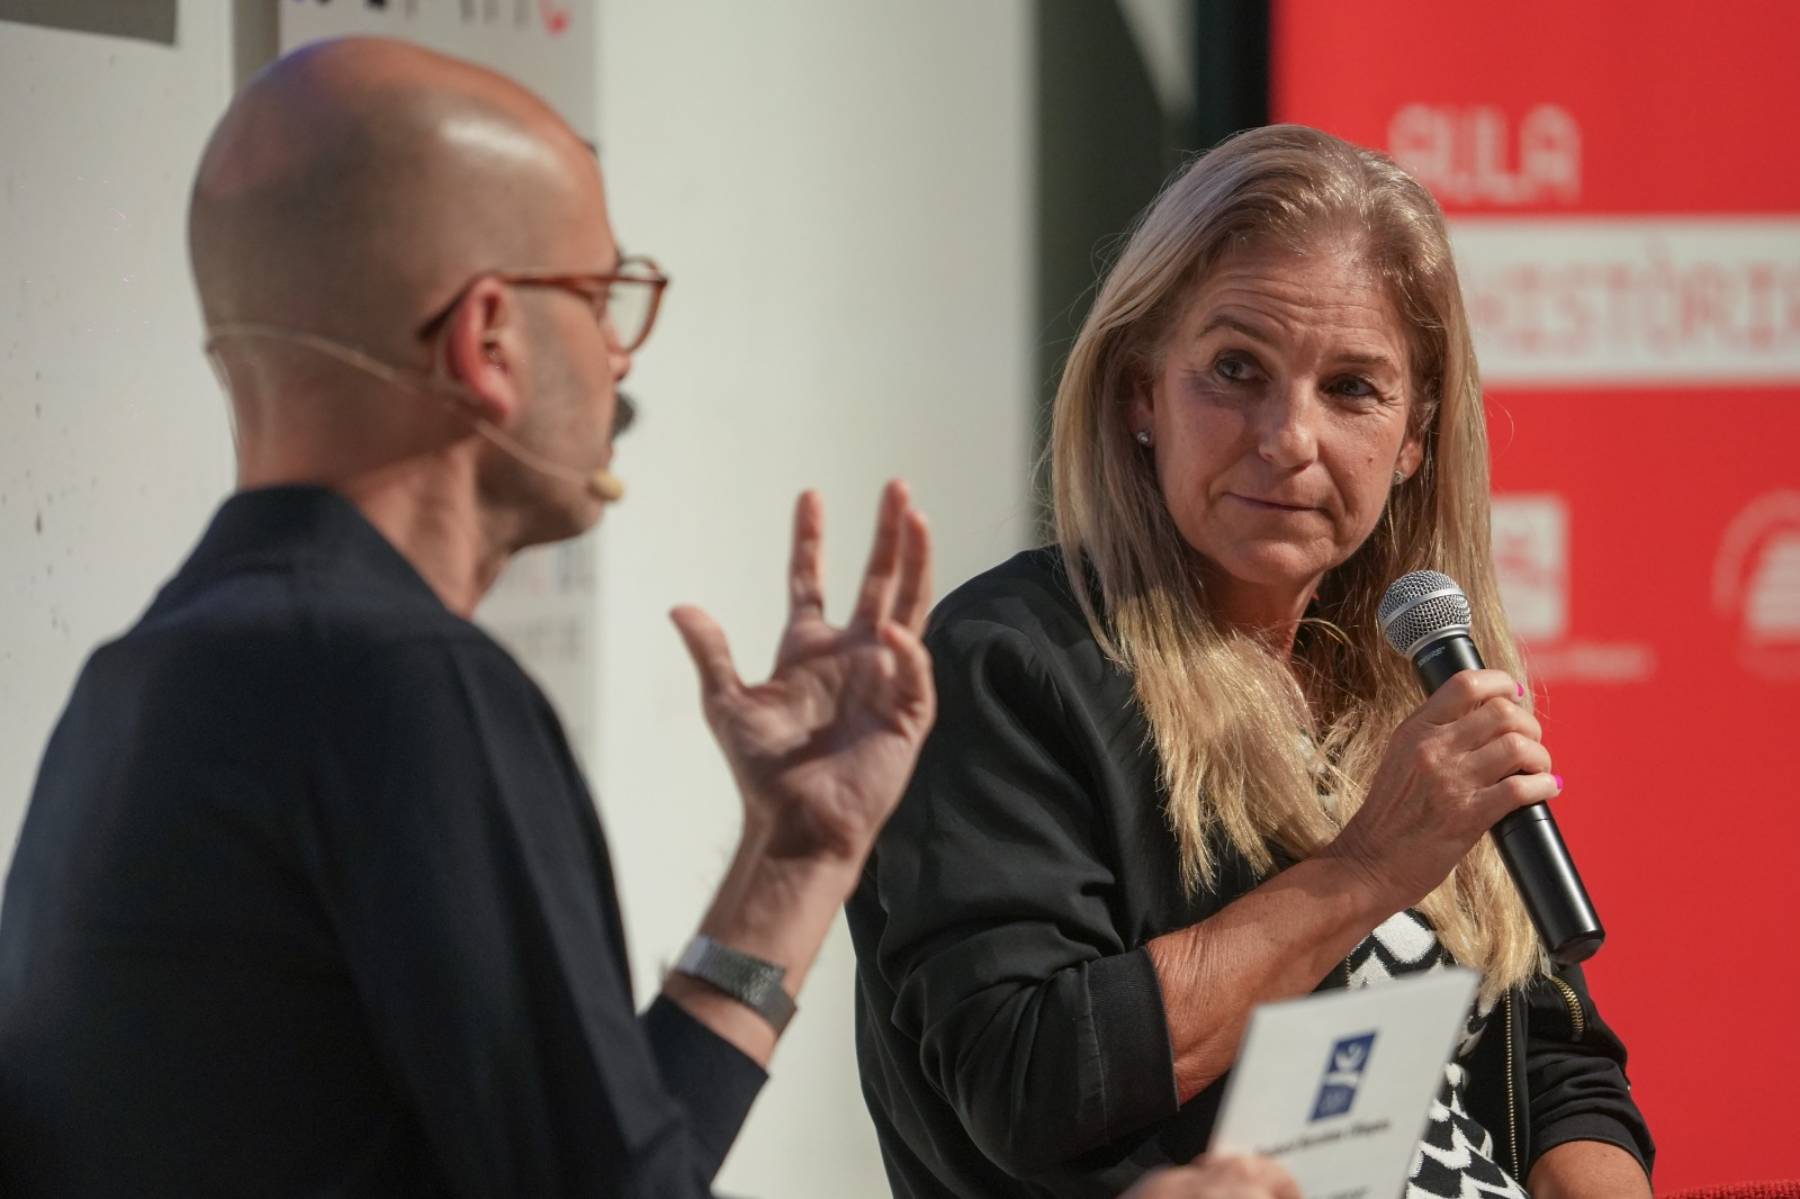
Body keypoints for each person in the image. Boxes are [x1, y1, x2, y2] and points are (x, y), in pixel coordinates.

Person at [0, 37, 941, 1198]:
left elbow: (590, 1160)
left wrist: (797, 856)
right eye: (600, 298)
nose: (616, 353)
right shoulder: (400, 680)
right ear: (487, 337)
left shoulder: (134, 685)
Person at [847, 125, 1655, 1199]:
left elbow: (1552, 1059)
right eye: (1237, 370)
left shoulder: (1407, 668)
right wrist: (1366, 869)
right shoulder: (1017, 661)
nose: (1288, 436)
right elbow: (1030, 1076)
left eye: (1354, 388)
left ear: (1415, 434)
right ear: (1142, 392)